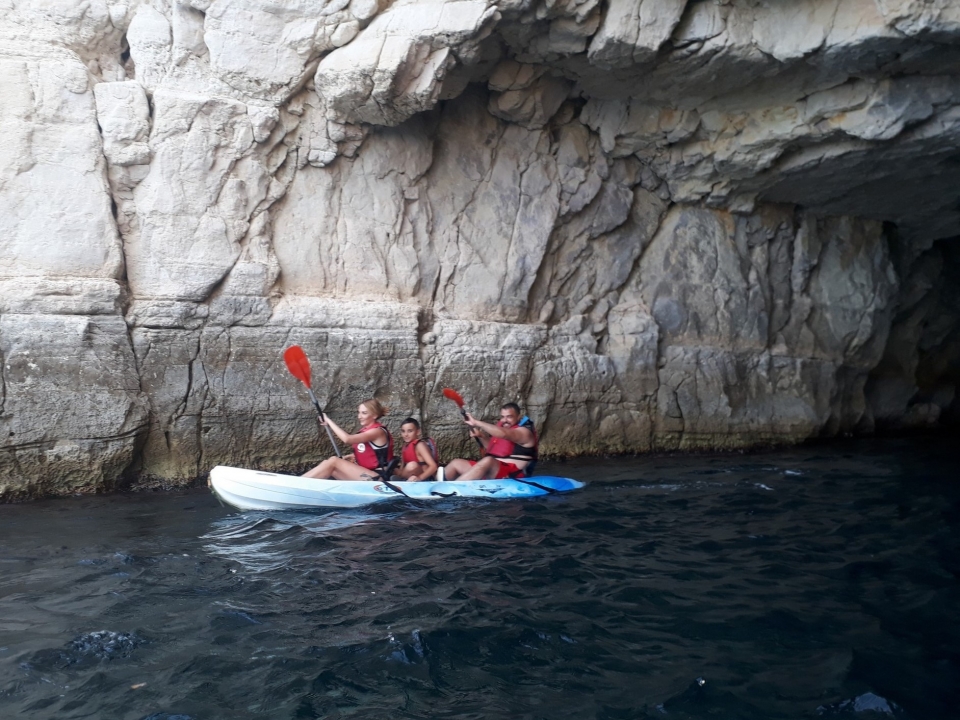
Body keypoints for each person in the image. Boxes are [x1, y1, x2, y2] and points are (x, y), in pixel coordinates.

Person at [302, 399, 394, 480]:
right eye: (359, 412)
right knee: (329, 465)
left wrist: (328, 421)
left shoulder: (377, 431)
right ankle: (303, 484)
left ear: (374, 415)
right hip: (367, 475)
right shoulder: (366, 430)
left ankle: (299, 483)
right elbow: (373, 453)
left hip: (378, 478)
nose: (359, 416)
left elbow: (347, 439)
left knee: (334, 461)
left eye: (364, 413)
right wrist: (350, 456)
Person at [443, 402, 538, 481]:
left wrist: (476, 423)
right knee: (456, 463)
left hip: (512, 474)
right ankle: (435, 484)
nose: (505, 420)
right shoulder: (504, 427)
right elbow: (493, 449)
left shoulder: (525, 433)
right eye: (503, 417)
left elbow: (505, 434)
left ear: (518, 417)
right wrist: (481, 436)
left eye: (509, 417)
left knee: (488, 461)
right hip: (493, 469)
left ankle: (452, 489)